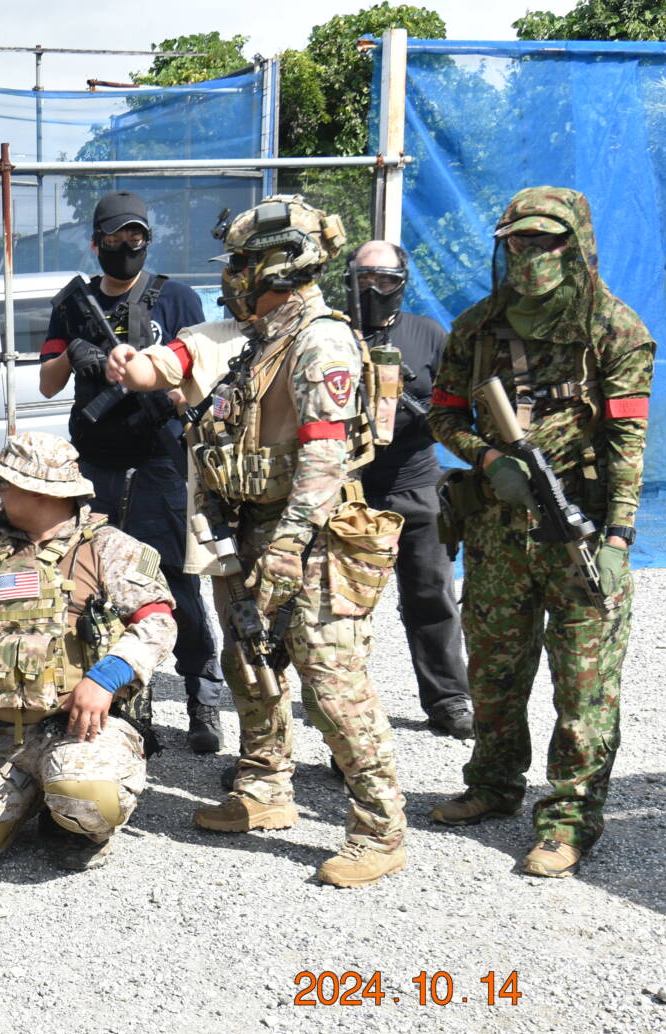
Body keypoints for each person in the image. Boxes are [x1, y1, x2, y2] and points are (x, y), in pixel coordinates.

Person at [107, 194, 408, 887]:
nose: (231, 276)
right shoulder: (263, 336)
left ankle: (379, 829)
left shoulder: (319, 340)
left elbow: (325, 461)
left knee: (332, 682)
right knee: (250, 663)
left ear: (279, 266)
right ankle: (265, 785)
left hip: (310, 539)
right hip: (248, 529)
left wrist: (287, 548)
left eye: (242, 263)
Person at [426, 187, 651, 879]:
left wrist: (618, 539)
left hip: (578, 533)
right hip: (497, 534)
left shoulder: (614, 330)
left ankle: (569, 819)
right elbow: (443, 415)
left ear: (574, 245)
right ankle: (494, 785)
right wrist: (487, 458)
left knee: (584, 688)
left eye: (546, 241)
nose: (529, 254)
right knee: (494, 674)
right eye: (518, 242)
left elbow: (627, 444)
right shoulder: (477, 327)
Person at [37, 189, 226, 756]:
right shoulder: (73, 304)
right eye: (116, 236)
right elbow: (46, 382)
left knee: (177, 583)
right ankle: (125, 704)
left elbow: (202, 380)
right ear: (96, 242)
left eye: (136, 235)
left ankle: (202, 697)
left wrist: (159, 390)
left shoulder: (177, 299)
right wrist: (75, 352)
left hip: (159, 463)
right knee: (96, 587)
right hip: (95, 467)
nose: (126, 245)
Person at [0, 431, 176, 870]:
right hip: (1, 737)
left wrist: (105, 678)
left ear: (39, 491)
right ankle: (32, 793)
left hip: (79, 729)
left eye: (6, 482)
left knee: (87, 799)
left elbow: (158, 622)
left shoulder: (108, 548)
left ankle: (72, 816)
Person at [346, 241, 473, 739]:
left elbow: (458, 407)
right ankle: (346, 714)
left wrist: (418, 409)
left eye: (383, 279)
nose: (372, 289)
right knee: (345, 609)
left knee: (431, 596)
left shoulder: (428, 334)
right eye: (363, 278)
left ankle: (449, 699)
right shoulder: (332, 334)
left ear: (401, 281)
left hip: (416, 484)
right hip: (349, 492)